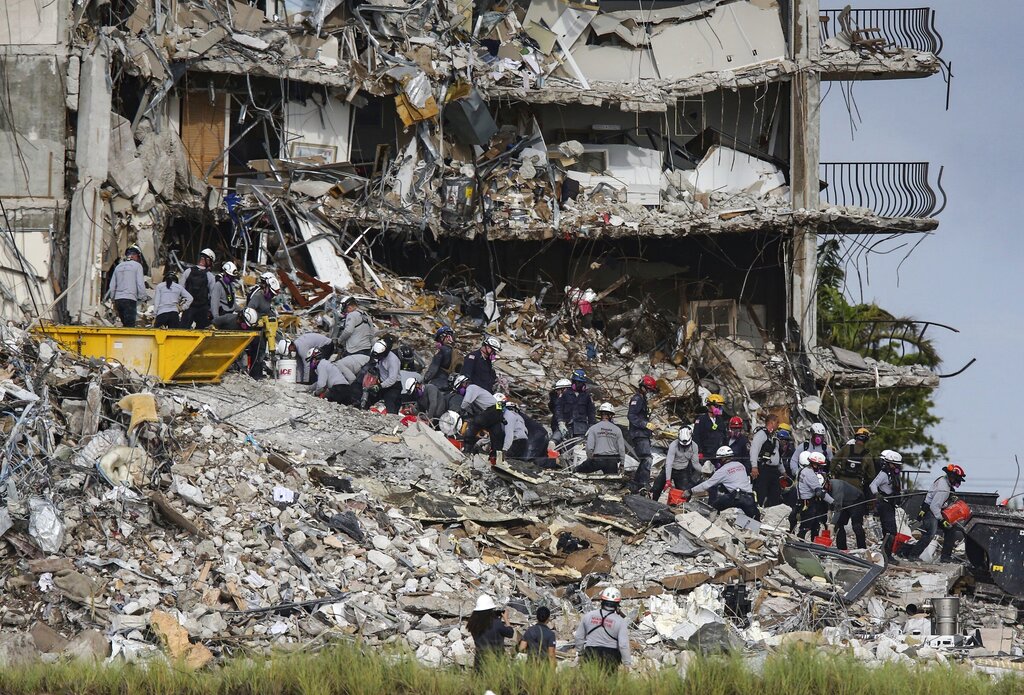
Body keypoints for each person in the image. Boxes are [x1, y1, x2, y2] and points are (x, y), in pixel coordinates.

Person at [898, 464, 966, 563]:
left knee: (951, 531)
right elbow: (934, 506)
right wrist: (942, 520)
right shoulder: (944, 488)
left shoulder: (943, 480)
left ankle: (945, 557)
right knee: (930, 533)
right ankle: (913, 555)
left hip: (933, 509)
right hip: (932, 512)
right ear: (952, 477)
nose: (957, 482)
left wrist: (950, 498)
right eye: (957, 480)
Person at [686, 446, 760, 520]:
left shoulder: (722, 471)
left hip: (736, 497)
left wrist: (691, 491)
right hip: (750, 497)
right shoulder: (740, 465)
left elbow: (707, 484)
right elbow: (734, 478)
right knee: (755, 521)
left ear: (722, 458)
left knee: (712, 510)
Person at [574, 587, 631, 671]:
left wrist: (581, 653)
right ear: (617, 603)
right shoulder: (620, 621)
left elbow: (579, 637)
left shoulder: (588, 616)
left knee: (588, 682)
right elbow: (623, 645)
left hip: (590, 653)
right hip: (610, 656)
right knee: (608, 683)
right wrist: (627, 663)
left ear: (602, 601)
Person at [652, 426, 705, 502]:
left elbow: (695, 463)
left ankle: (678, 508)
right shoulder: (673, 445)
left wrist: (703, 471)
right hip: (669, 468)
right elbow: (669, 463)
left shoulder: (694, 446)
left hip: (682, 471)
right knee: (656, 488)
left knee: (684, 493)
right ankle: (653, 502)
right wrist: (668, 480)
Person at [626, 375, 659, 495]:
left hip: (643, 433)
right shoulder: (637, 399)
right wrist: (645, 424)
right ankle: (643, 483)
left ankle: (636, 483)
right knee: (647, 458)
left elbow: (641, 414)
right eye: (649, 390)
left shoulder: (642, 399)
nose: (650, 393)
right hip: (638, 433)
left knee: (644, 459)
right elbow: (631, 416)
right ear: (643, 387)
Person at [870, 449, 904, 559]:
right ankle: (887, 556)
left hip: (891, 504)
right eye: (896, 465)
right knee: (891, 531)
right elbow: (873, 485)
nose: (898, 467)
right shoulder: (884, 474)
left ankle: (886, 555)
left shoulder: (894, 475)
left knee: (889, 531)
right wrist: (877, 494)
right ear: (890, 464)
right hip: (884, 504)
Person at [104, 245, 148, 327]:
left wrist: (113, 299)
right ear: (135, 255)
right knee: (130, 325)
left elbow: (112, 285)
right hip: (130, 299)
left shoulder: (118, 267)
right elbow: (140, 284)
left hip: (118, 300)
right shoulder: (137, 266)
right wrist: (143, 297)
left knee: (124, 323)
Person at [467, 594, 513, 670]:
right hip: (496, 659)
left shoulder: (473, 624)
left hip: (480, 660)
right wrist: (506, 619)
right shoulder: (496, 623)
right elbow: (510, 633)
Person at [794, 451, 833, 540]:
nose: (819, 468)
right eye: (818, 466)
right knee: (807, 525)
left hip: (804, 501)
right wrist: (832, 501)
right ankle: (800, 542)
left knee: (815, 524)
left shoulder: (803, 470)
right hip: (808, 503)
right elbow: (819, 492)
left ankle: (812, 542)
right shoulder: (810, 474)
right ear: (814, 464)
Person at [578, 402, 625, 475]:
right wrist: (622, 464)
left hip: (597, 460)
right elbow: (621, 449)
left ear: (600, 414)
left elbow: (589, 448)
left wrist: (590, 459)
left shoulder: (593, 428)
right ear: (611, 415)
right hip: (612, 462)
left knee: (577, 471)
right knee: (611, 481)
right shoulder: (617, 430)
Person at [749, 415, 784, 507]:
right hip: (764, 469)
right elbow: (754, 450)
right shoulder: (761, 434)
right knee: (760, 493)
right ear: (771, 422)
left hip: (774, 471)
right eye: (777, 422)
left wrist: (783, 471)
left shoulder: (774, 437)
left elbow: (777, 456)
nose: (778, 425)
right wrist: (754, 466)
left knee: (775, 495)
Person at [832, 427, 875, 496]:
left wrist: (832, 473)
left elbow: (834, 460)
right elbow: (871, 475)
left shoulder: (845, 448)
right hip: (857, 486)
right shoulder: (867, 455)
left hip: (841, 482)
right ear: (866, 440)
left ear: (856, 437)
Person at [361, 338, 402, 412]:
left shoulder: (393, 361)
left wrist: (380, 386)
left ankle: (391, 419)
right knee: (369, 399)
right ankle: (363, 410)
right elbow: (378, 365)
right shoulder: (377, 353)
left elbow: (392, 379)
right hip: (381, 381)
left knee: (390, 403)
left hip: (393, 386)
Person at [460, 382, 501, 452]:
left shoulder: (471, 387)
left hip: (491, 410)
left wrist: (461, 409)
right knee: (494, 435)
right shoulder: (479, 389)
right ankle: (495, 455)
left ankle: (467, 450)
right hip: (499, 410)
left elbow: (466, 402)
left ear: (464, 384)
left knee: (473, 426)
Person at [180, 249, 216, 329]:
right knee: (202, 330)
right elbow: (212, 295)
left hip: (188, 306)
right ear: (207, 260)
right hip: (202, 308)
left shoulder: (188, 271)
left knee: (183, 329)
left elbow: (180, 289)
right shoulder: (210, 276)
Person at [556, 369, 596, 440]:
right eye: (577, 382)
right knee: (554, 443)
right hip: (566, 426)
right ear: (573, 382)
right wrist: (561, 423)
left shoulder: (587, 396)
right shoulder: (565, 394)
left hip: (581, 428)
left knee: (579, 448)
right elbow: (559, 409)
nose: (579, 385)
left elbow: (591, 413)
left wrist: (591, 426)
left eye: (581, 383)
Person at [830, 477, 866, 551]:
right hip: (845, 503)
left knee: (856, 526)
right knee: (839, 525)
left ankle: (862, 549)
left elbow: (838, 508)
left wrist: (832, 523)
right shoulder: (825, 489)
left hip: (856, 500)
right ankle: (842, 549)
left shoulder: (837, 487)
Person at [693, 393, 728, 460]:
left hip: (719, 454)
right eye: (717, 406)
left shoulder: (720, 420)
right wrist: (699, 452)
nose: (719, 409)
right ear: (709, 405)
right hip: (706, 454)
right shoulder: (701, 420)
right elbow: (696, 437)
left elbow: (724, 436)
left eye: (720, 407)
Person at [549, 378, 572, 443]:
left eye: (559, 390)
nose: (557, 392)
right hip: (556, 425)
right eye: (557, 390)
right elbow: (554, 409)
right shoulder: (555, 399)